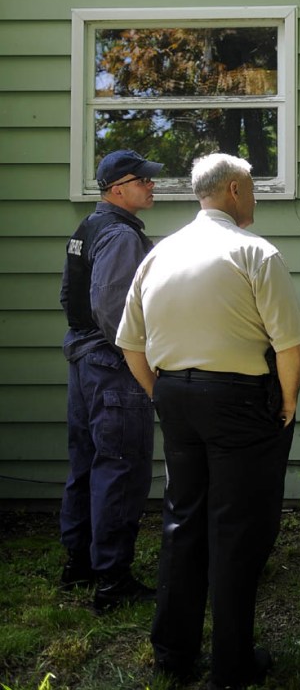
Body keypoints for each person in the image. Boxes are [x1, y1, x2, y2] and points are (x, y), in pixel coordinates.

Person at [116, 152, 300, 690]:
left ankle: (173, 653)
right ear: (230, 191)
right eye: (250, 187)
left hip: (176, 395)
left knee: (183, 520)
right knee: (238, 528)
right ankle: (233, 663)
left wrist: (164, 394)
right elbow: (289, 347)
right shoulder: (255, 252)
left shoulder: (159, 254)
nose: (254, 196)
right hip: (240, 400)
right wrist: (288, 404)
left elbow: (130, 345)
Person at [59, 149, 163, 612]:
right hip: (113, 366)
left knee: (86, 464)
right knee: (121, 467)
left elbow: (69, 295)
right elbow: (112, 309)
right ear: (117, 189)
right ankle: (112, 582)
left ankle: (78, 564)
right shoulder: (120, 235)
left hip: (83, 361)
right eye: (143, 180)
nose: (152, 185)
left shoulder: (87, 229)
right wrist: (136, 361)